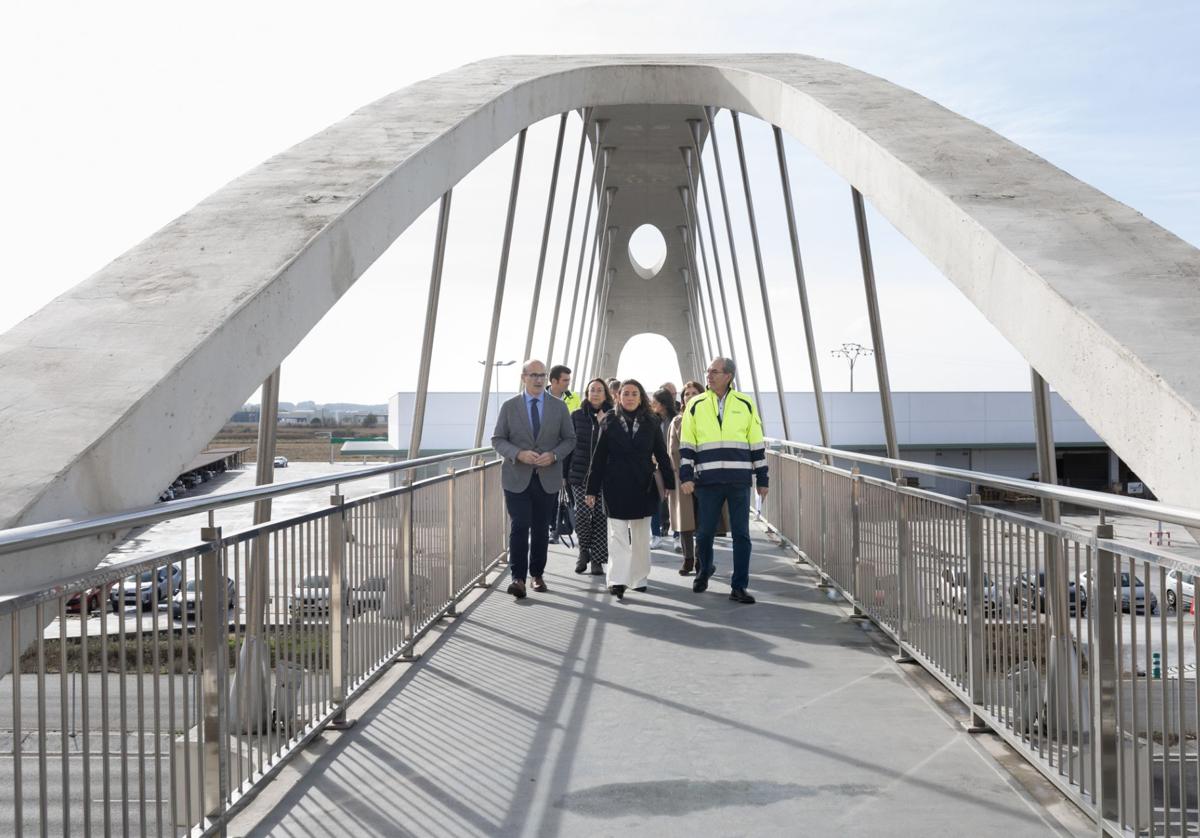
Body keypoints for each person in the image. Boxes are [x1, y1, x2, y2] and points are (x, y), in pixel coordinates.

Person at [679, 357, 768, 604]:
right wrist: (686, 476)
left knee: (741, 535)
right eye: (708, 371)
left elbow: (757, 444)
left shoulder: (746, 404)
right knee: (705, 533)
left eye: (715, 371)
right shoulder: (695, 405)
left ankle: (739, 586)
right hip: (707, 481)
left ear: (729, 375)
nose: (709, 375)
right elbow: (687, 445)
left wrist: (763, 478)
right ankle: (705, 569)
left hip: (739, 481)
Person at [491, 359, 576, 600]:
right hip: (516, 477)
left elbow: (570, 439)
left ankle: (537, 574)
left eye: (542, 375)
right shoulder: (510, 406)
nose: (538, 379)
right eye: (533, 375)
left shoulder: (559, 407)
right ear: (523, 377)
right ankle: (518, 578)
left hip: (547, 478)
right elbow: (497, 439)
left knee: (540, 528)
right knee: (519, 526)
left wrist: (554, 455)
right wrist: (518, 454)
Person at [585, 380, 675, 600]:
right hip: (614, 484)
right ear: (618, 397)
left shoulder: (652, 421)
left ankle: (638, 578)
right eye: (626, 393)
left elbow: (662, 454)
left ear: (641, 396)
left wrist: (670, 484)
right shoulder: (608, 421)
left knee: (641, 534)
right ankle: (617, 580)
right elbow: (598, 458)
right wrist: (591, 489)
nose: (630, 397)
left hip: (643, 484)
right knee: (617, 535)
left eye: (634, 393)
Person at [566, 378, 612, 575]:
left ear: (605, 394)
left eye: (599, 390)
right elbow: (568, 446)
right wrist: (563, 474)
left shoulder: (613, 416)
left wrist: (604, 424)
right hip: (579, 474)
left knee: (601, 516)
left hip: (604, 476)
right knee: (582, 514)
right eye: (592, 390)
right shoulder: (576, 416)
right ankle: (584, 551)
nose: (595, 393)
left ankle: (597, 560)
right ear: (587, 393)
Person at [668, 380, 704, 574]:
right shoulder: (677, 421)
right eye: (686, 394)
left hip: (706, 475)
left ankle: (701, 558)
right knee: (685, 520)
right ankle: (688, 558)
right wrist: (682, 474)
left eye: (694, 392)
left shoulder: (710, 417)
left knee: (703, 520)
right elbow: (673, 450)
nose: (690, 396)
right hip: (682, 475)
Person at [648, 388, 677, 550]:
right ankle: (656, 535)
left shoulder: (676, 419)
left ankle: (677, 536)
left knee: (674, 502)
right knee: (656, 500)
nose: (652, 404)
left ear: (663, 404)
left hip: (673, 466)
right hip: (656, 465)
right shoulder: (652, 420)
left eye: (655, 401)